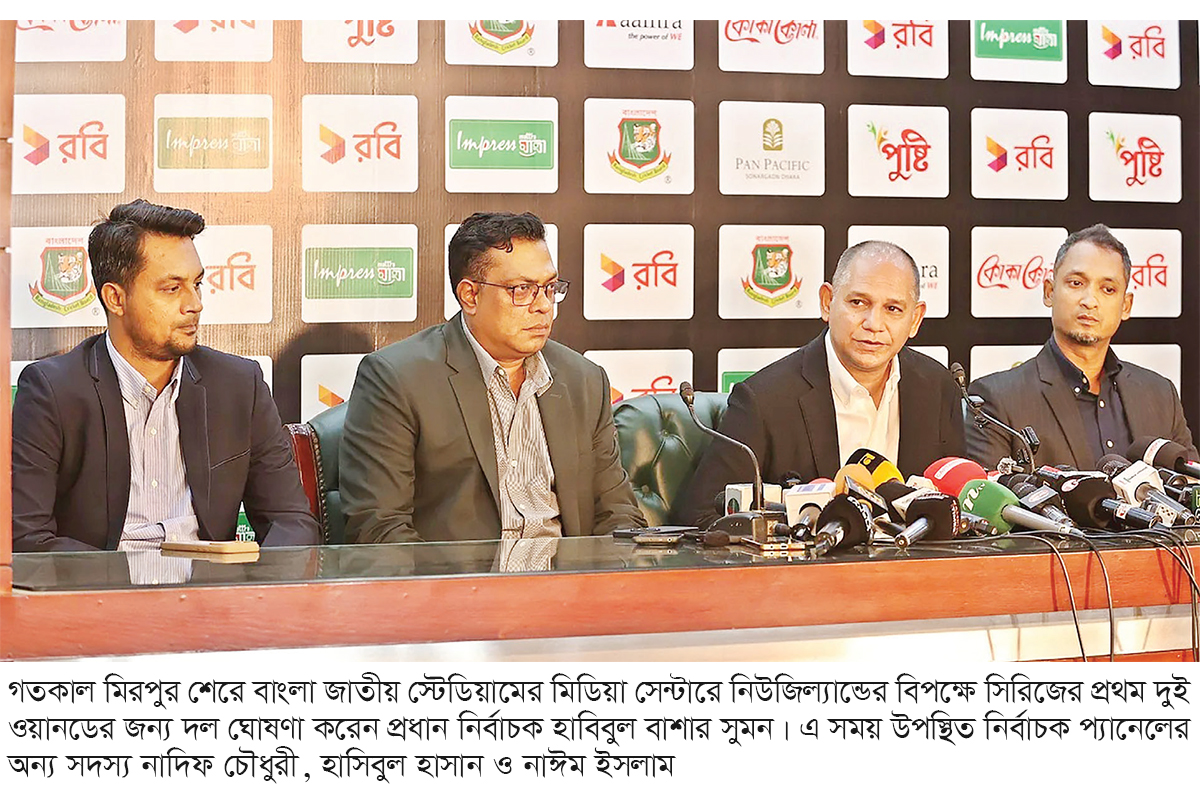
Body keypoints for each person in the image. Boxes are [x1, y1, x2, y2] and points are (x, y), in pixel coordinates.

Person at [12, 199, 319, 552]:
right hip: (104, 584)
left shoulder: (239, 385)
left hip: (211, 585)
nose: (194, 304)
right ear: (115, 298)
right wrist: (120, 579)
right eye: (172, 288)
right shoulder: (53, 391)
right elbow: (27, 538)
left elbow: (291, 521)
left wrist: (256, 582)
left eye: (196, 284)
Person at [339, 211, 645, 564]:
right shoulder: (397, 379)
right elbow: (379, 529)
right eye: (522, 290)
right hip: (460, 590)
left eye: (549, 288)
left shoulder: (584, 380)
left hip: (569, 588)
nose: (543, 306)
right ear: (470, 295)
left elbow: (617, 514)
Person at [681, 240, 965, 527]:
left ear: (915, 319)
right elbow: (702, 517)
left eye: (893, 309)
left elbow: (958, 505)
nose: (874, 324)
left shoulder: (939, 388)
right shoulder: (764, 400)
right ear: (827, 302)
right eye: (858, 303)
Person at [967, 223, 1197, 470]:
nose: (1090, 301)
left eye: (1108, 289)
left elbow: (1190, 486)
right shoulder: (996, 400)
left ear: (1126, 305)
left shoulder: (1161, 395)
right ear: (1049, 292)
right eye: (1076, 283)